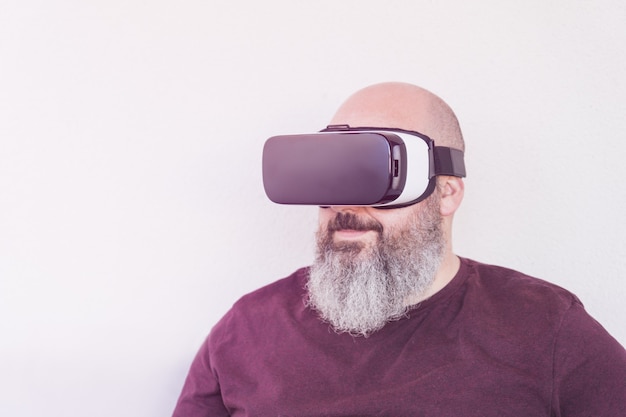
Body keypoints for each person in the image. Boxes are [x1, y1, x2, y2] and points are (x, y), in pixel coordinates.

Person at [172, 82, 626, 416]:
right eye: (330, 175)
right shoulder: (247, 331)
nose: (346, 206)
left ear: (446, 193)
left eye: (376, 174)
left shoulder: (546, 328)